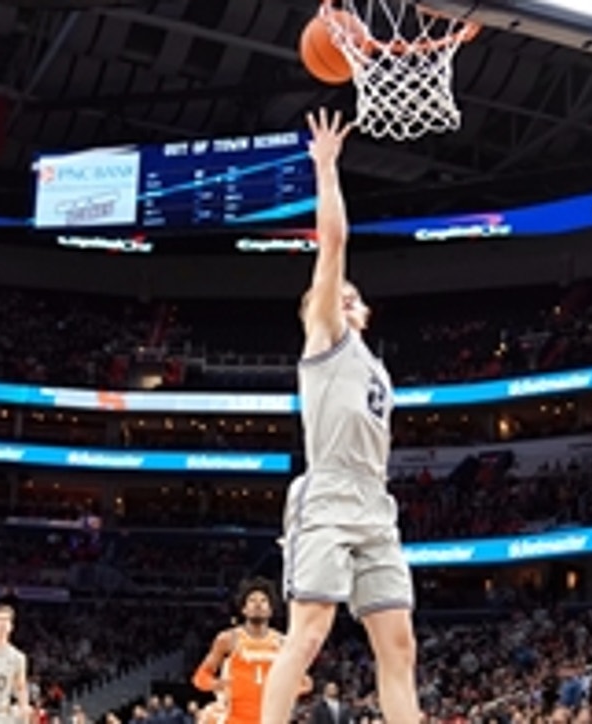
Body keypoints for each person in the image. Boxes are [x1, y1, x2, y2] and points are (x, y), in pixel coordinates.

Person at [258, 107, 419, 724]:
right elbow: (335, 245)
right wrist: (325, 168)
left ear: (365, 311)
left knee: (399, 646)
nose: (342, 295)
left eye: (351, 295)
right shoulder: (325, 338)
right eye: (333, 294)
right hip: (326, 493)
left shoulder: (376, 367)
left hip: (374, 500)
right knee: (308, 633)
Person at [192, 579, 311, 724]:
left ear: (270, 610)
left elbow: (306, 683)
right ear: (244, 609)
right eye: (252, 600)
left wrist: (286, 691)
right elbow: (200, 677)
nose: (258, 604)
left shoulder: (283, 643)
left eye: (263, 601)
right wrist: (217, 684)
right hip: (233, 719)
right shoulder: (228, 639)